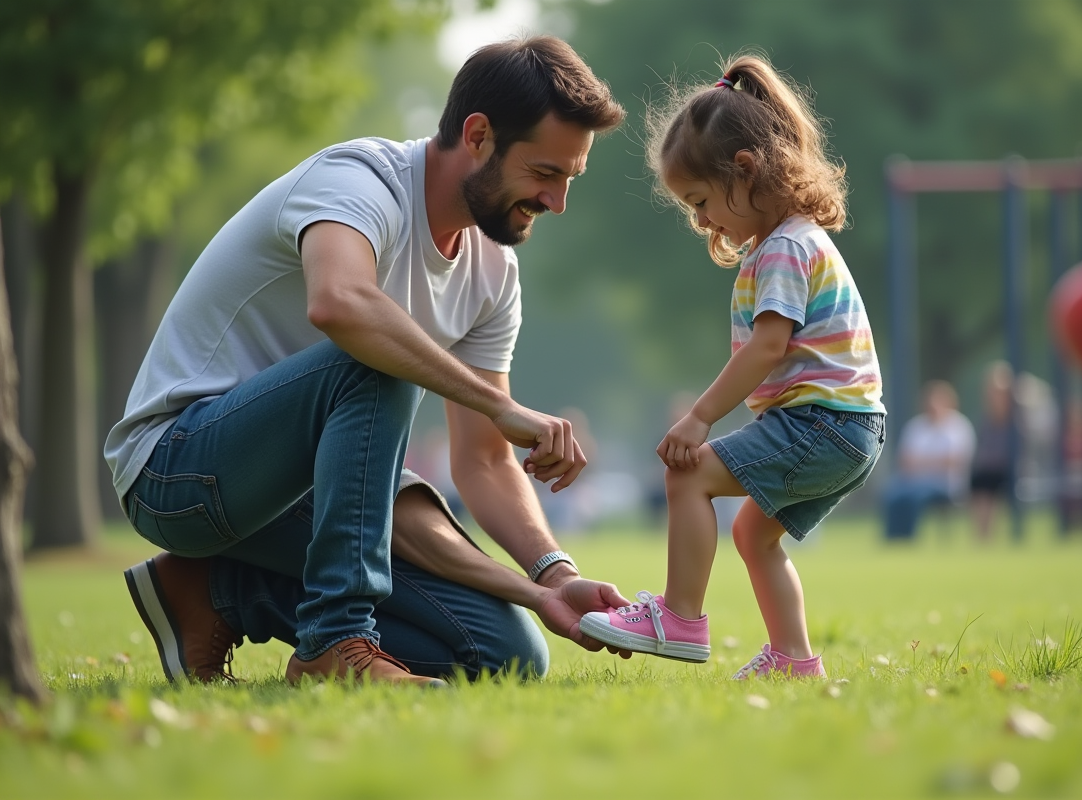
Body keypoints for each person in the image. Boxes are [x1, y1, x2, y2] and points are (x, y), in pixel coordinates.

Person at [107, 36, 633, 688]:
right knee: (378, 356)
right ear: (477, 136)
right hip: (174, 470)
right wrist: (500, 406)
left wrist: (554, 575)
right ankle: (335, 640)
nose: (557, 201)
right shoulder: (359, 181)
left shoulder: (493, 271)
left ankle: (220, 592)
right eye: (546, 173)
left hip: (304, 490)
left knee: (507, 654)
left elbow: (485, 459)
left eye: (570, 178)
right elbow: (341, 304)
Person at [578, 55, 886, 680]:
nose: (701, 221)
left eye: (700, 201)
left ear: (745, 170)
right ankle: (794, 661)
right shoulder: (791, 241)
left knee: (687, 476)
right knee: (753, 535)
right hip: (852, 427)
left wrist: (699, 418)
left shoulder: (785, 247)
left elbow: (767, 347)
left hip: (823, 424)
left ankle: (680, 617)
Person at [882, 380, 975, 540]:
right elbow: (905, 460)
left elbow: (956, 461)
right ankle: (893, 537)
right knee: (892, 493)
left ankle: (908, 538)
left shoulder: (959, 426)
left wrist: (921, 462)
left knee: (916, 496)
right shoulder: (915, 426)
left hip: (945, 484)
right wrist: (934, 461)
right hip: (913, 481)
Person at [969, 362, 1014, 540]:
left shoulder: (1019, 417)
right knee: (979, 482)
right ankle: (983, 538)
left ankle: (986, 537)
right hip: (989, 469)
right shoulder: (985, 419)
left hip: (1012, 468)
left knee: (989, 483)